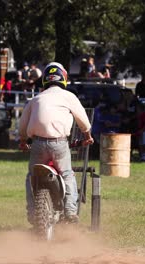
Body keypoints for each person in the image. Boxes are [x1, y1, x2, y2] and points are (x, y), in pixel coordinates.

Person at [18, 62, 94, 224]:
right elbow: (83, 121)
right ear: (64, 78)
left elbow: (22, 125)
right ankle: (70, 211)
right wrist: (87, 136)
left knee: (31, 177)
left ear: (45, 79)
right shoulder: (68, 96)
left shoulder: (36, 99)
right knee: (67, 174)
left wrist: (23, 141)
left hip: (37, 144)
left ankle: (32, 212)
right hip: (59, 144)